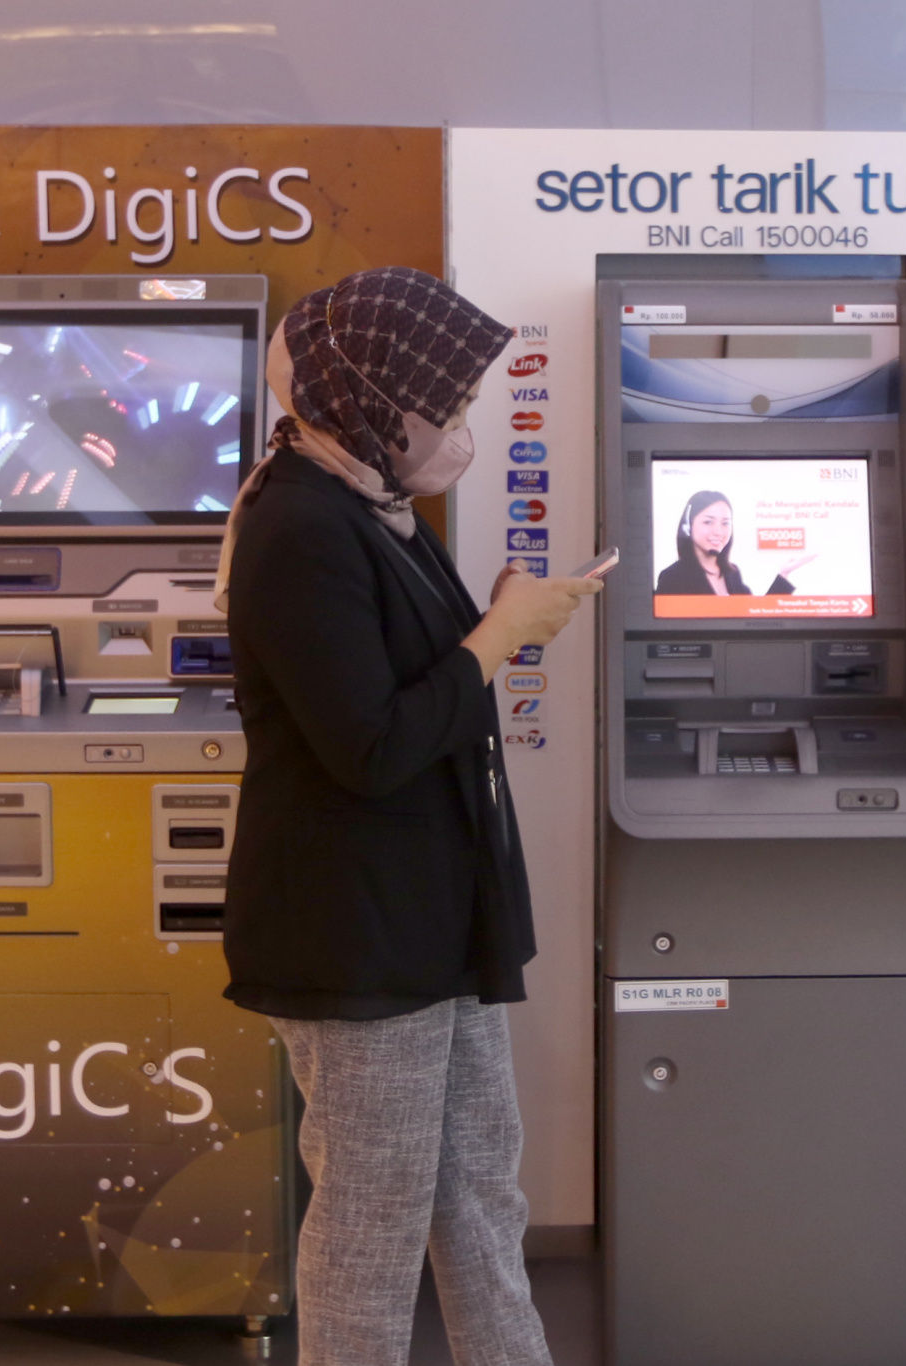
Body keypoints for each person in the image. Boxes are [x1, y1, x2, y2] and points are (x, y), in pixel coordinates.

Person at [215, 266, 598, 1366]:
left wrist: (507, 617)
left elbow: (408, 680)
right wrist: (499, 637)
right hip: (356, 940)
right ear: (372, 393)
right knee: (371, 1225)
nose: (464, 427)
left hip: (433, 922)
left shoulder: (374, 504)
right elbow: (371, 744)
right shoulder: (299, 525)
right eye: (453, 405)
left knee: (478, 1189)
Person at [653, 489, 815, 596]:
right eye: (708, 522)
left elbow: (756, 618)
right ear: (688, 526)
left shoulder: (732, 573)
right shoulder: (672, 577)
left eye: (725, 523)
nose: (718, 531)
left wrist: (784, 574)